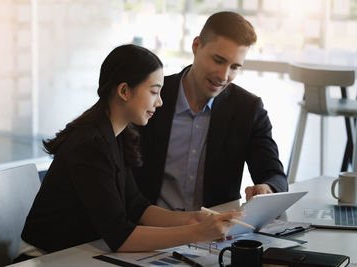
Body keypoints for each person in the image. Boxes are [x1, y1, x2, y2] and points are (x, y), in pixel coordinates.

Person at [15, 44, 243, 262]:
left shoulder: (119, 135)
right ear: (124, 91)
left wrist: (194, 219)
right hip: (44, 258)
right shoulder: (89, 144)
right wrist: (197, 233)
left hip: (80, 252)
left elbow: (137, 207)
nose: (160, 102)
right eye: (154, 92)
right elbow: (120, 236)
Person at [133, 11, 288, 212]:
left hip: (216, 236)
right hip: (152, 231)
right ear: (196, 46)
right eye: (218, 60)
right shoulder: (151, 96)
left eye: (234, 67)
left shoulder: (249, 109)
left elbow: (275, 176)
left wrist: (267, 188)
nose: (224, 76)